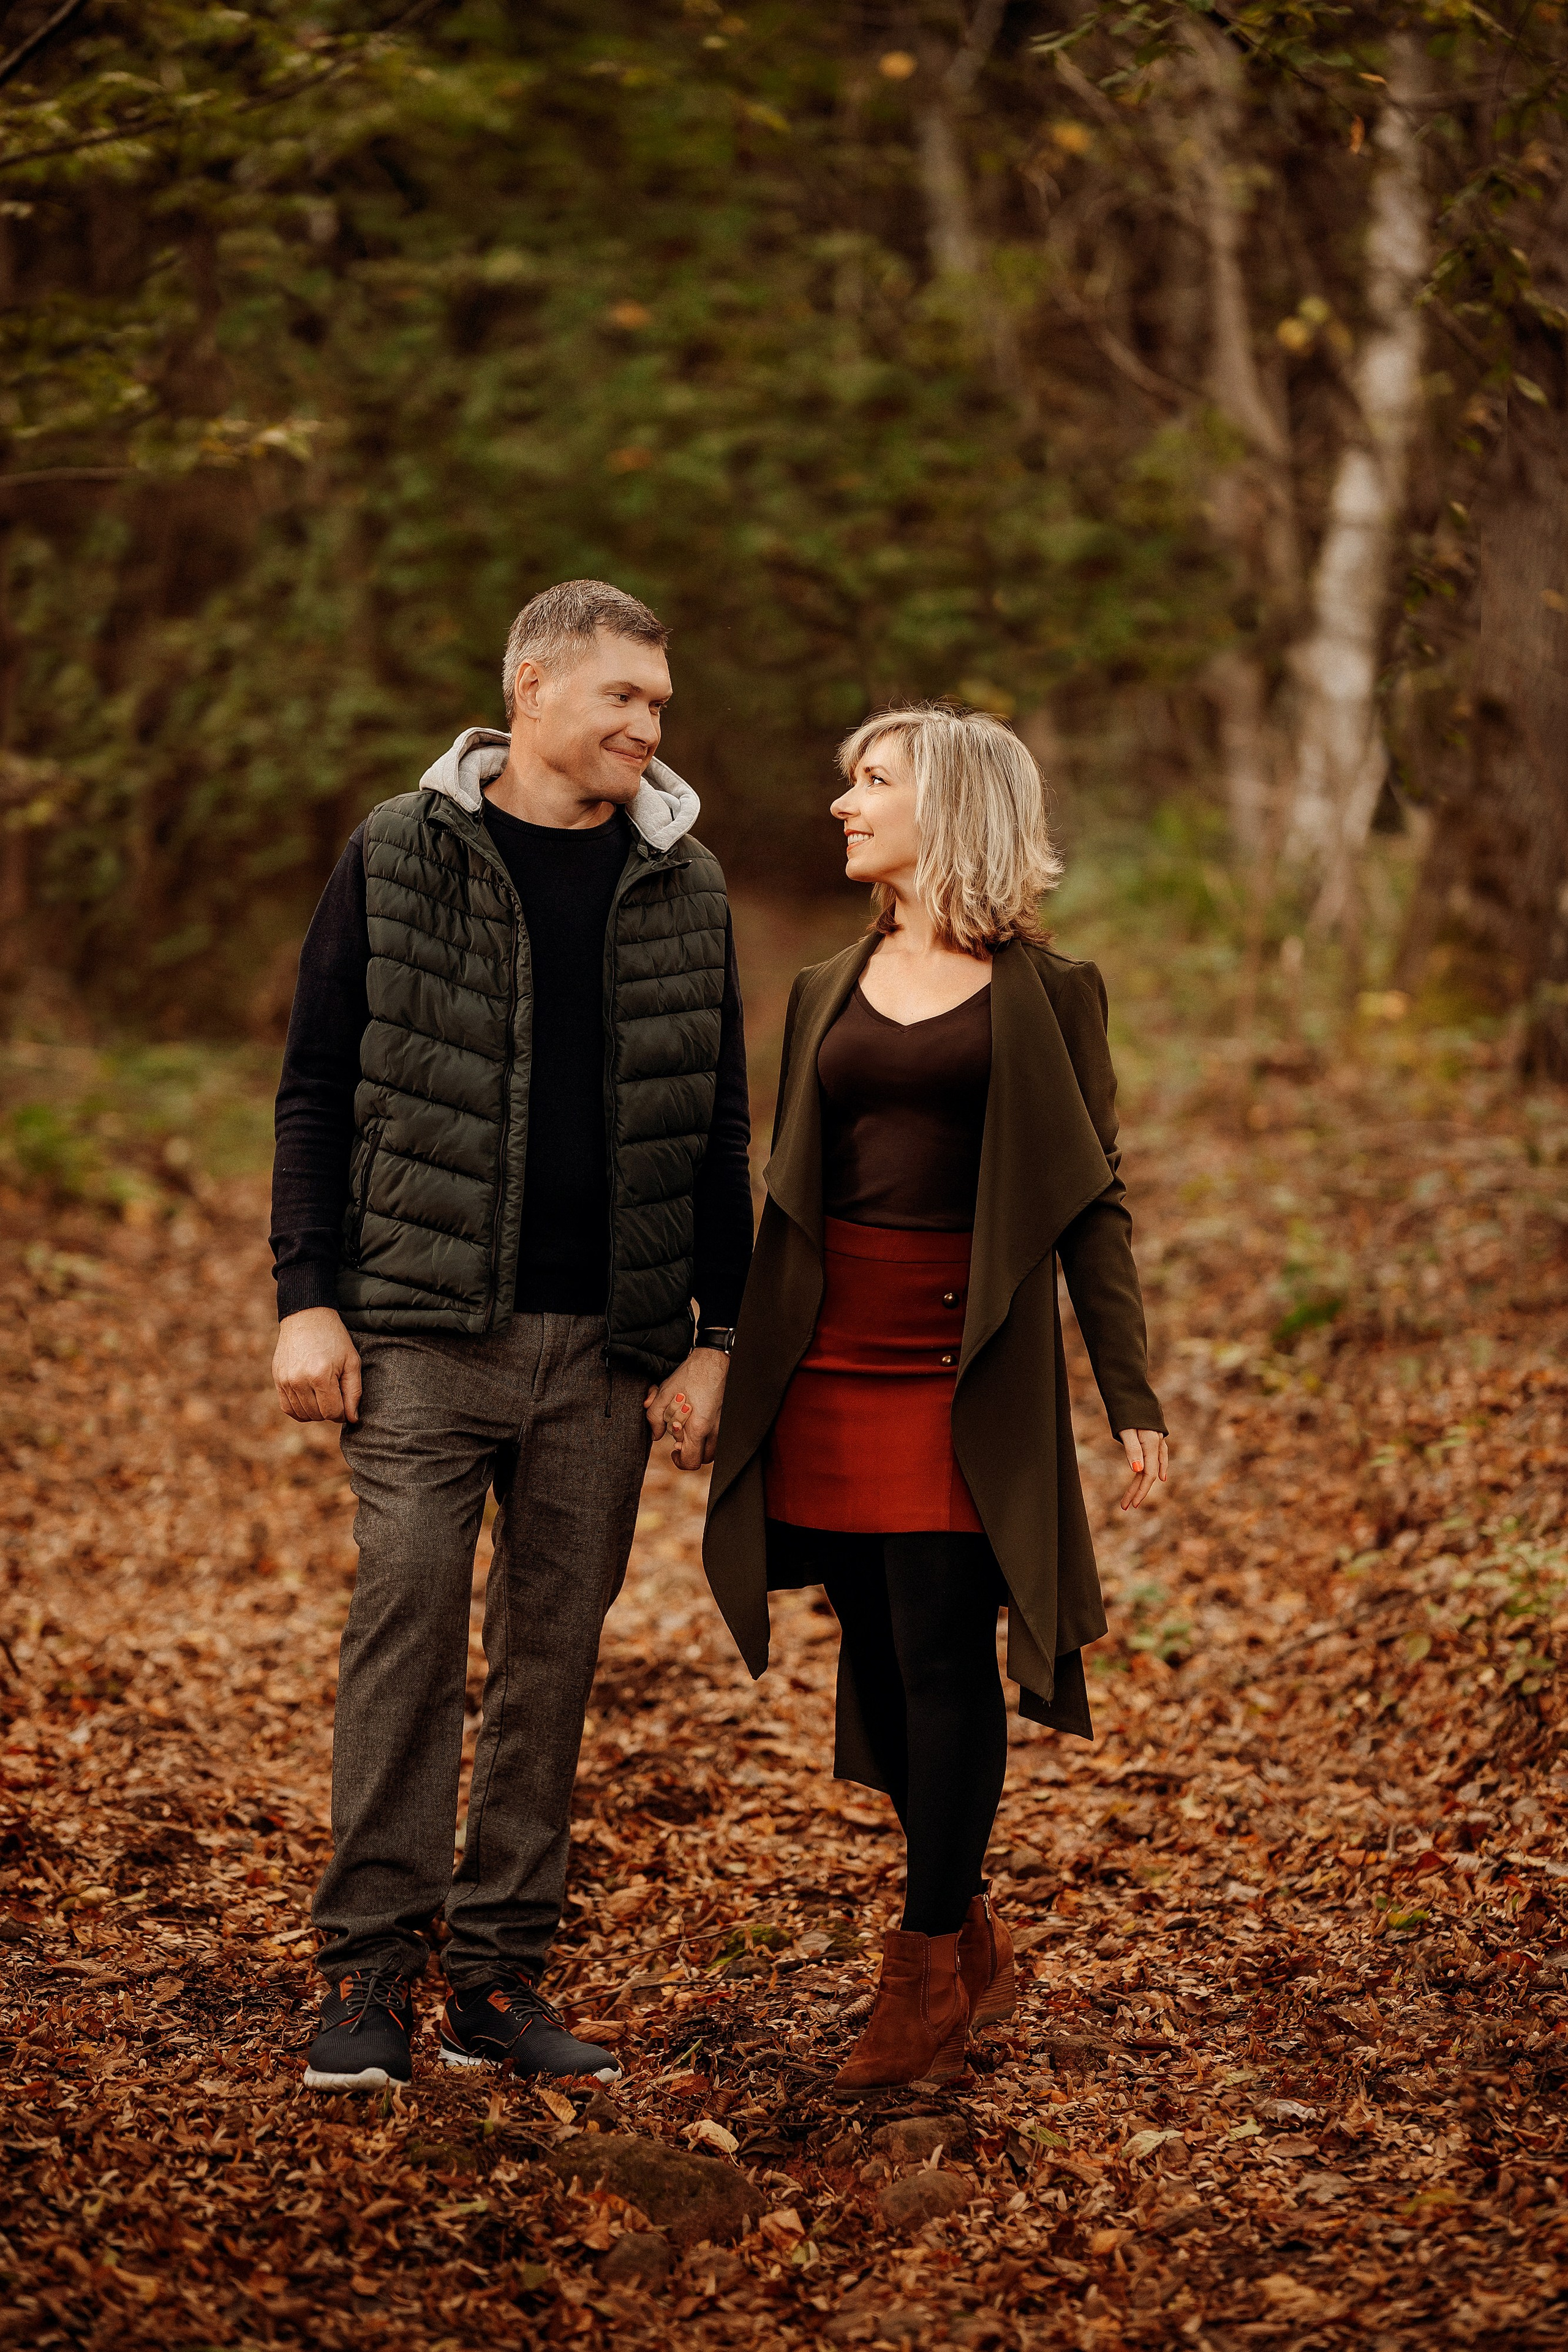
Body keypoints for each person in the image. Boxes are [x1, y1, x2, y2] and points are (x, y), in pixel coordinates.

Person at [270, 579, 752, 2091]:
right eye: (623, 698)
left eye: (658, 706)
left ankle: (495, 1987)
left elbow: (715, 1131)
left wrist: (712, 1337)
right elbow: (314, 1084)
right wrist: (306, 1296)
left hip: (606, 1348)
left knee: (550, 1659)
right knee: (404, 1633)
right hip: (421, 1332)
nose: (645, 727)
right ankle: (365, 1984)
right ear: (531, 690)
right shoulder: (398, 851)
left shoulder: (686, 883)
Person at [702, 704, 1166, 2091]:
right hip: (825, 1356)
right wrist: (718, 1352)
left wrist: (1128, 1394)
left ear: (949, 807)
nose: (842, 803)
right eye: (848, 779)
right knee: (875, 1657)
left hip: (960, 1372)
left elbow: (1091, 1205)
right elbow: (783, 1195)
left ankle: (914, 1980)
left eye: (873, 782)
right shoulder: (822, 984)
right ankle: (971, 1930)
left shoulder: (1049, 991)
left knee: (941, 1648)